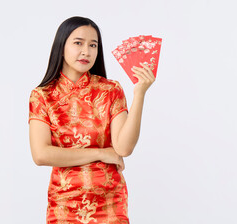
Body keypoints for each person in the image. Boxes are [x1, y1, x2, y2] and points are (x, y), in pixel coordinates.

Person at [28, 16, 155, 223]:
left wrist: (139, 93)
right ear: (61, 46)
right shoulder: (43, 95)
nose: (86, 51)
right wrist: (101, 153)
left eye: (93, 45)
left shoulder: (110, 90)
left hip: (110, 204)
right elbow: (41, 154)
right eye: (78, 43)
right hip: (64, 204)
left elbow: (123, 149)